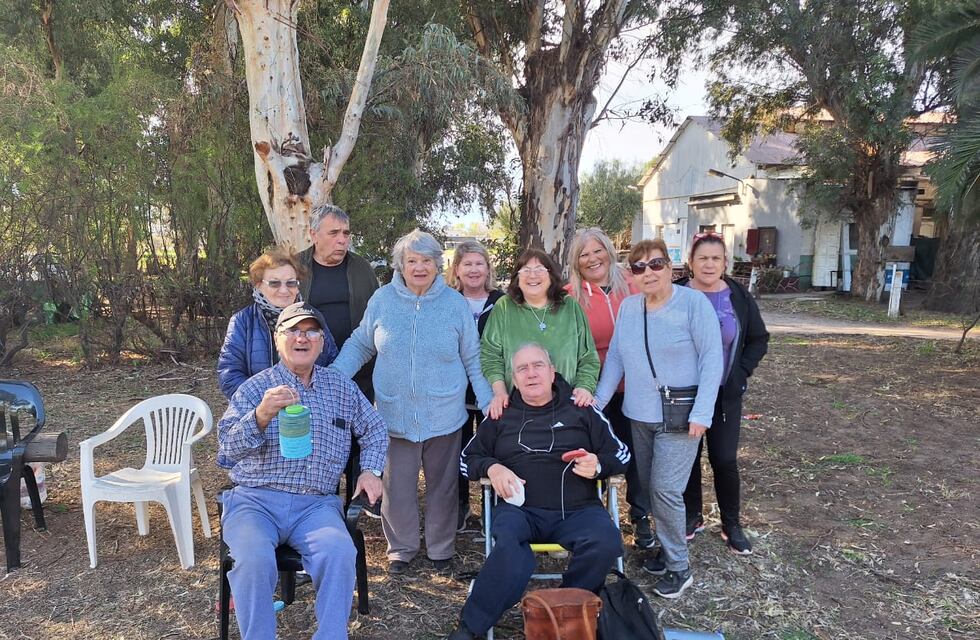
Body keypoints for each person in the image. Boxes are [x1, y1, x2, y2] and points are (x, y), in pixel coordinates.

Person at [217, 302, 387, 640]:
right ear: (278, 339)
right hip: (255, 502)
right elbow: (226, 452)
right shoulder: (255, 388)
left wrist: (370, 470)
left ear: (321, 342)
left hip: (316, 505)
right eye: (293, 330)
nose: (302, 338)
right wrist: (261, 415)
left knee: (339, 552)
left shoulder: (340, 388)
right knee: (252, 560)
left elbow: (375, 429)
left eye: (311, 331)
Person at [330, 229, 494, 575]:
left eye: (427, 261)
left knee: (443, 486)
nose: (420, 267)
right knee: (397, 488)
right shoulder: (382, 300)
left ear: (438, 264)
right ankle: (401, 549)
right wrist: (331, 380)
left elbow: (473, 359)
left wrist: (489, 402)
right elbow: (361, 344)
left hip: (445, 414)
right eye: (412, 261)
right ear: (400, 265)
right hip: (394, 413)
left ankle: (440, 548)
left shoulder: (454, 304)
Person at [447, 344, 630, 640]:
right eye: (522, 369)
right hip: (520, 511)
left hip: (578, 509)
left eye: (538, 366)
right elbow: (467, 460)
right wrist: (493, 468)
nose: (531, 374)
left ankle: (564, 610)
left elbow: (621, 455)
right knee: (507, 544)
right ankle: (471, 628)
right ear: (514, 379)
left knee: (606, 540)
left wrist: (598, 465)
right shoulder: (500, 414)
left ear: (552, 371)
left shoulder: (582, 410)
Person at [594, 238, 723, 599]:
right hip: (640, 414)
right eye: (638, 267)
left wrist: (703, 412)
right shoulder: (630, 308)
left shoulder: (693, 304)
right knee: (650, 487)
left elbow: (712, 359)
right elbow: (616, 358)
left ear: (670, 267)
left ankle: (679, 567)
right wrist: (598, 402)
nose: (647, 272)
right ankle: (666, 552)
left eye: (655, 264)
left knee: (666, 490)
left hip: (681, 415)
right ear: (631, 275)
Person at [676, 232, 769, 554]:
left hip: (724, 395)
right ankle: (692, 516)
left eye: (716, 258)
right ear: (691, 262)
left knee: (724, 459)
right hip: (683, 393)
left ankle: (732, 522)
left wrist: (740, 374)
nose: (709, 264)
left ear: (725, 262)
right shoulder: (676, 294)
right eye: (703, 258)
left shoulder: (738, 297)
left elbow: (759, 339)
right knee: (687, 459)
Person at [564, 227, 651, 548]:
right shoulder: (570, 295)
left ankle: (640, 517)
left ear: (609, 251)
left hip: (637, 388)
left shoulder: (633, 283)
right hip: (592, 391)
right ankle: (592, 516)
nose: (592, 259)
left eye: (597, 251)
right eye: (584, 254)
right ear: (576, 261)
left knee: (637, 456)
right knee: (596, 454)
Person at [481, 249, 600, 420]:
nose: (533, 276)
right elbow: (490, 355)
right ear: (517, 278)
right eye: (526, 270)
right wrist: (499, 392)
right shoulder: (504, 307)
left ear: (551, 275)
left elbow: (588, 356)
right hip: (517, 407)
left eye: (539, 270)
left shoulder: (570, 306)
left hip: (566, 405)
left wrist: (584, 387)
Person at [217, 247, 338, 400]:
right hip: (259, 411)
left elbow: (332, 361)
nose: (284, 290)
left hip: (308, 411)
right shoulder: (242, 321)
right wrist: (266, 401)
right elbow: (229, 374)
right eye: (274, 283)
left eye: (291, 283)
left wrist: (314, 398)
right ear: (259, 285)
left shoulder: (313, 317)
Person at [446, 240, 505, 532]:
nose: (473, 269)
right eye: (467, 264)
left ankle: (492, 511)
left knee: (493, 450)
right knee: (456, 452)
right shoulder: (446, 300)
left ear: (488, 268)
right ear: (456, 269)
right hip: (454, 392)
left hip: (492, 392)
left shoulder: (503, 302)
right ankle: (459, 509)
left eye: (479, 263)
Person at [299, 204, 379, 401]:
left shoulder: (362, 268)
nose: (342, 240)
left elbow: (377, 316)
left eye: (346, 233)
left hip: (359, 374)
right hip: (307, 372)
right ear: (314, 234)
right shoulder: (296, 267)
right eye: (334, 233)